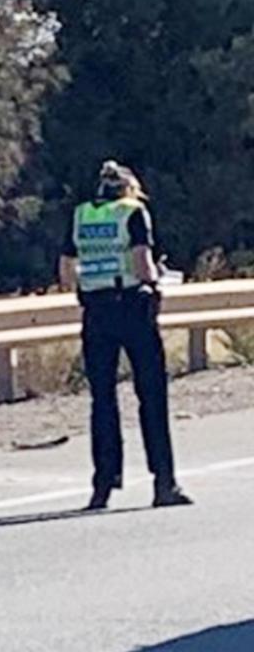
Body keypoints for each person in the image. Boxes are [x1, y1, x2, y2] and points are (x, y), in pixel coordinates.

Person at [58, 160, 192, 511]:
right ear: (129, 188)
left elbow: (66, 272)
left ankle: (103, 485)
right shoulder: (133, 213)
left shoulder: (82, 216)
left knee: (102, 399)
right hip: (132, 307)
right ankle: (164, 483)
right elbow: (142, 264)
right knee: (152, 396)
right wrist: (155, 281)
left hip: (96, 312)